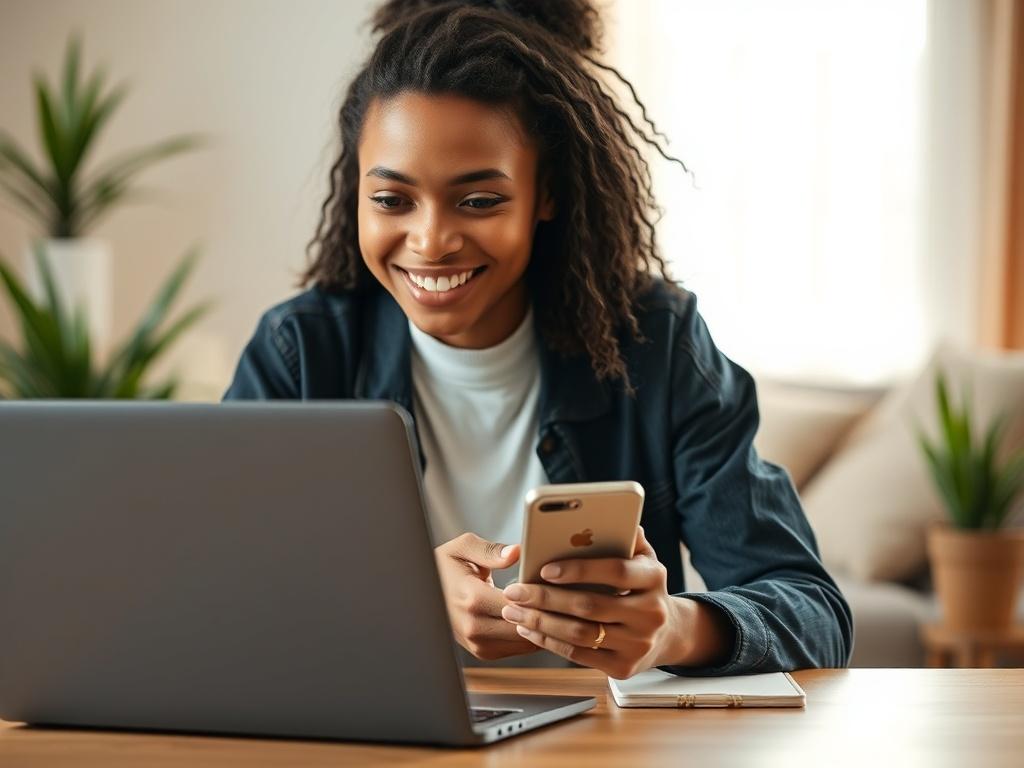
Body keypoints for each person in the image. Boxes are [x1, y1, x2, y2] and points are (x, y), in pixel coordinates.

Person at [225, 0, 852, 678]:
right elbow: (215, 597)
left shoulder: (656, 344)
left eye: (479, 200)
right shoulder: (300, 355)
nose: (431, 240)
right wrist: (400, 599)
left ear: (545, 193)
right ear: (357, 193)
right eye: (392, 200)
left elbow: (814, 611)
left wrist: (672, 628)